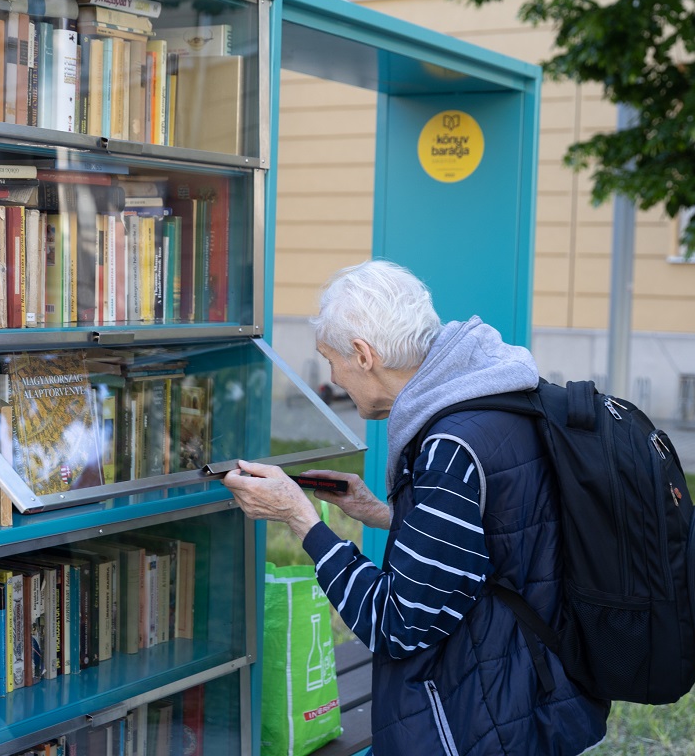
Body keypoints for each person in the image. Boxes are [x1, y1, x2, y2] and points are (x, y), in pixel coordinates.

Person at [223, 260, 609, 755]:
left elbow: (397, 623)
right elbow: (500, 535)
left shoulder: (450, 445)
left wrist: (301, 519)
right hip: (535, 684)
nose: (334, 377)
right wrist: (385, 513)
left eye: (331, 360)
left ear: (363, 354)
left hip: (483, 716)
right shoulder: (502, 397)